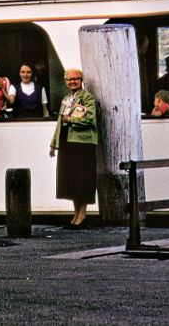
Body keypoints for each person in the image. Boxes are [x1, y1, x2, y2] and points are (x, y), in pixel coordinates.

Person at [49, 69, 97, 230]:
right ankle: (76, 215)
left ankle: (82, 215)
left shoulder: (87, 98)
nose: (72, 82)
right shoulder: (66, 99)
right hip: (67, 142)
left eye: (75, 79)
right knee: (71, 181)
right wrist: (53, 144)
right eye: (69, 79)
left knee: (82, 180)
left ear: (81, 79)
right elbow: (59, 123)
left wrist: (70, 119)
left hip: (83, 143)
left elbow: (89, 119)